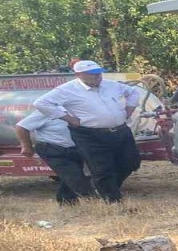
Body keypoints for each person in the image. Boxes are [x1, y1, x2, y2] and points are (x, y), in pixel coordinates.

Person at [34, 60, 143, 203]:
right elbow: (41, 103)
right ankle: (113, 200)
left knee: (131, 161)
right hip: (90, 134)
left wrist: (129, 110)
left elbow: (133, 91)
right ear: (79, 75)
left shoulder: (111, 85)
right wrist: (68, 118)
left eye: (98, 73)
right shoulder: (66, 90)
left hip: (120, 131)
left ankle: (104, 187)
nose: (97, 77)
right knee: (101, 168)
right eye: (92, 74)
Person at [14, 110, 94, 204]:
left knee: (73, 174)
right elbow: (21, 127)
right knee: (74, 175)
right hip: (53, 148)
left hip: (75, 148)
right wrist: (26, 146)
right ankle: (93, 200)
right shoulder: (47, 111)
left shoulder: (78, 109)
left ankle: (67, 202)